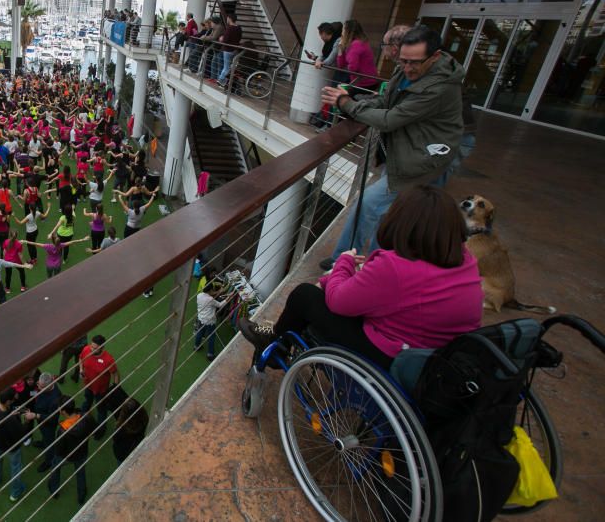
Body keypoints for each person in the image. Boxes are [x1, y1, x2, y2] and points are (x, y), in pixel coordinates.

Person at [240, 185, 483, 369]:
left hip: (395, 356)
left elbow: (338, 301)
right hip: (438, 358)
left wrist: (344, 262)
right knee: (326, 290)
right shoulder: (465, 261)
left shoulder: (396, 267)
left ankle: (275, 347)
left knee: (305, 296)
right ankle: (279, 338)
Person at [319, 24, 465, 269]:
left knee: (367, 206)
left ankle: (344, 261)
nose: (407, 67)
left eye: (414, 63)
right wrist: (356, 102)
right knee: (387, 214)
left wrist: (346, 103)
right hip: (406, 153)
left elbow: (390, 118)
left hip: (419, 160)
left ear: (435, 56)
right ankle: (374, 263)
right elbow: (385, 101)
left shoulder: (439, 88)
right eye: (403, 61)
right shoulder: (408, 71)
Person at [0, 388, 34, 502]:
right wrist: (27, 421)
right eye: (12, 400)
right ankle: (15, 493)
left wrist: (10, 413)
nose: (13, 401)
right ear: (7, 402)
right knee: (15, 468)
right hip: (12, 447)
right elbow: (21, 433)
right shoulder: (11, 420)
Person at [47, 396, 94, 505]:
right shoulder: (86, 417)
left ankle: (54, 490)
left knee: (55, 466)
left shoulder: (62, 430)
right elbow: (92, 428)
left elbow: (59, 449)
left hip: (66, 456)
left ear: (63, 411)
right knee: (81, 474)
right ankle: (81, 496)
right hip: (82, 452)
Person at [79, 334, 119, 440]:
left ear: (102, 347)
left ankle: (100, 430)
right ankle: (82, 418)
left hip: (101, 391)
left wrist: (116, 387)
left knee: (101, 410)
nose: (92, 349)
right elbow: (80, 359)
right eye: (91, 346)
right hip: (88, 385)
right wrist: (81, 369)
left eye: (95, 348)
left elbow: (115, 373)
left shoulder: (108, 360)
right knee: (87, 401)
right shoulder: (86, 349)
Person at [31, 372, 63, 470]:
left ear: (47, 387)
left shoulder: (55, 399)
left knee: (50, 442)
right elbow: (38, 393)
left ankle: (49, 461)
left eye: (40, 386)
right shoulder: (47, 387)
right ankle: (44, 442)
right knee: (44, 436)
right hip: (41, 419)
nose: (38, 387)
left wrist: (36, 415)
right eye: (38, 384)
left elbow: (52, 418)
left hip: (48, 424)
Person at [194, 281, 228, 361]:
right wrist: (228, 298)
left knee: (200, 332)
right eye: (212, 290)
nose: (213, 291)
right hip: (209, 321)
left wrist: (219, 292)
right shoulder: (210, 299)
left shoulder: (199, 295)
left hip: (201, 318)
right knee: (211, 337)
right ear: (210, 291)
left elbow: (210, 297)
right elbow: (220, 305)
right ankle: (210, 354)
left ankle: (196, 346)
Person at [112, 397, 149, 464]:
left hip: (122, 455)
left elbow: (115, 438)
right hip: (137, 448)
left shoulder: (121, 428)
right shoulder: (144, 418)